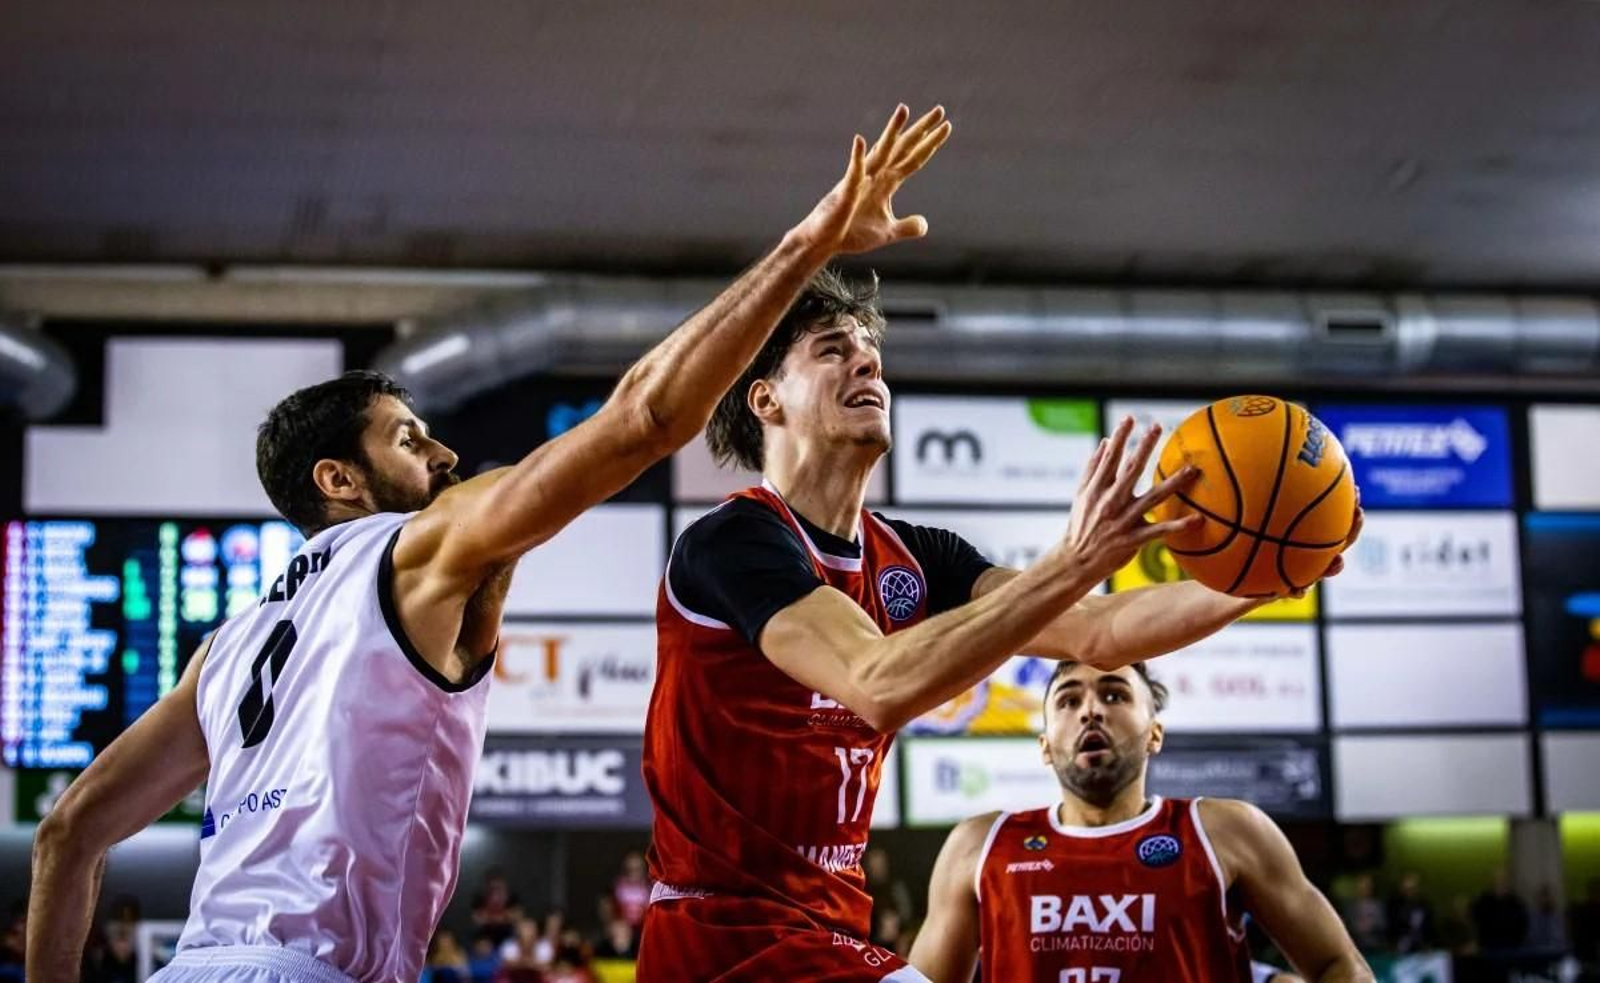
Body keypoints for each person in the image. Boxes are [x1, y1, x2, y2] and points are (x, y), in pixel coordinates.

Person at [27, 101, 950, 983]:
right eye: (406, 438)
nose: (444, 451)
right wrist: (809, 243)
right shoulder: (414, 549)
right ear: (338, 482)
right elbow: (645, 417)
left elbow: (70, 832)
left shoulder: (225, 652)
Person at [638, 151, 1360, 977]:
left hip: (828, 928)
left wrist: (1268, 576)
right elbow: (876, 680)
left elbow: (1099, 629)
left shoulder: (917, 554)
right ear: (766, 399)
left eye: (871, 351)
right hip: (726, 938)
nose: (868, 362)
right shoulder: (734, 542)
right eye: (834, 350)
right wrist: (1073, 558)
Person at [908, 660, 1373, 983]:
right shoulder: (980, 845)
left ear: (1154, 734)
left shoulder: (1224, 831)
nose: (1091, 709)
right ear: (1045, 745)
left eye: (1114, 694)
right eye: (1068, 701)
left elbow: (1339, 965)